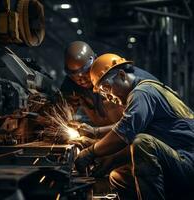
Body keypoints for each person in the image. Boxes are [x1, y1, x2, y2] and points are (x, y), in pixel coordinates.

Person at [75, 53, 194, 200]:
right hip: (174, 158)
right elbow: (126, 127)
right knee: (117, 177)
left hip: (188, 160)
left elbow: (124, 132)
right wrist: (95, 134)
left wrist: (91, 152)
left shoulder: (142, 93)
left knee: (142, 143)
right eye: (103, 93)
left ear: (122, 75)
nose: (108, 97)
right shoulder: (141, 92)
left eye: (107, 88)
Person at [61, 41, 158, 136]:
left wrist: (94, 140)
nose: (82, 80)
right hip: (117, 133)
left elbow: (130, 127)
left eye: (86, 72)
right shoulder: (72, 84)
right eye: (76, 76)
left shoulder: (134, 85)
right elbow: (59, 112)